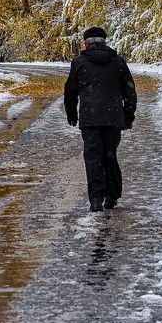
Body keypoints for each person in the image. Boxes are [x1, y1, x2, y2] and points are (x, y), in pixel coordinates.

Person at [63, 27, 138, 212]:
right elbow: (130, 91)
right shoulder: (118, 62)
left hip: (90, 119)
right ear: (104, 42)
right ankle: (111, 196)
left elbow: (70, 91)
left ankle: (96, 198)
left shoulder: (79, 62)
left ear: (86, 43)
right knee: (109, 155)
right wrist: (128, 116)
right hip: (113, 118)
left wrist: (72, 113)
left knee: (93, 157)